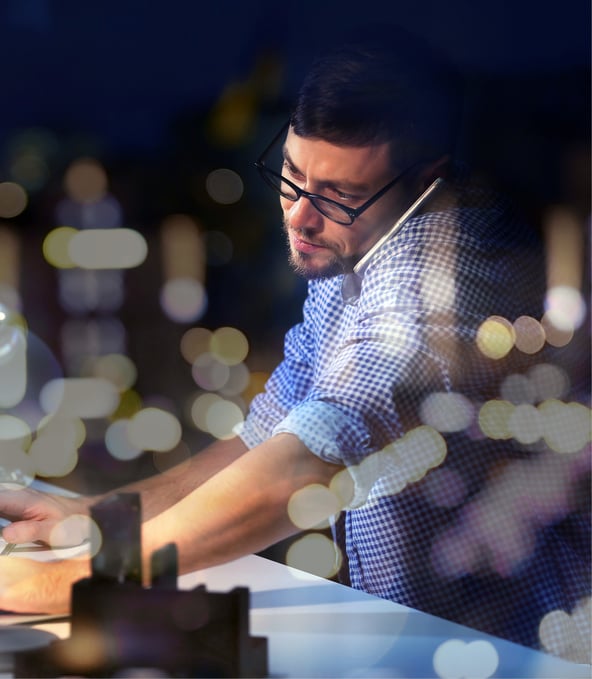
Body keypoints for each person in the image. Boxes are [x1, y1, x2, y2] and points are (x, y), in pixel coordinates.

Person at [1, 25, 590, 662]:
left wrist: (64, 582)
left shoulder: (443, 269)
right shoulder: (349, 250)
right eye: (291, 176)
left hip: (513, 653)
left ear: (427, 180)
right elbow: (267, 436)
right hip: (423, 642)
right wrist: (96, 520)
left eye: (339, 195)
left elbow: (311, 462)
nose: (300, 218)